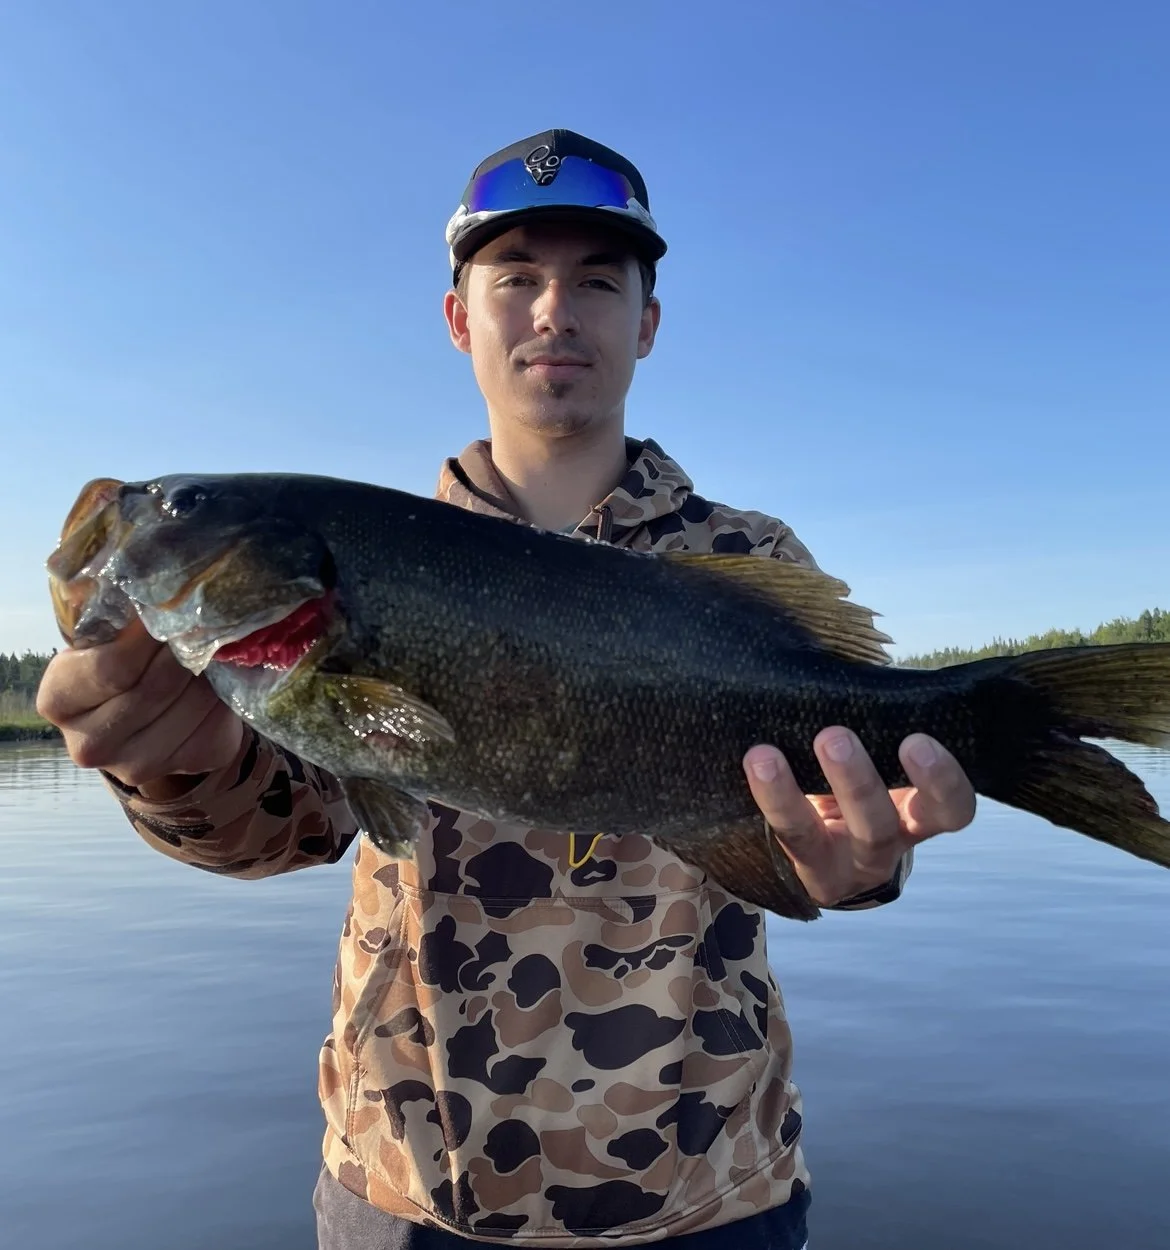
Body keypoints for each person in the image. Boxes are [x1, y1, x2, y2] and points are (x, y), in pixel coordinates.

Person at [38, 129, 977, 1249]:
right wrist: (169, 761)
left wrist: (867, 863)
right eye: (516, 277)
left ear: (648, 324)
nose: (554, 311)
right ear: (458, 318)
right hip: (410, 1193)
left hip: (707, 1187)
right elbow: (288, 827)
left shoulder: (750, 556)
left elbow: (825, 828)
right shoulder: (372, 559)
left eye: (596, 280)